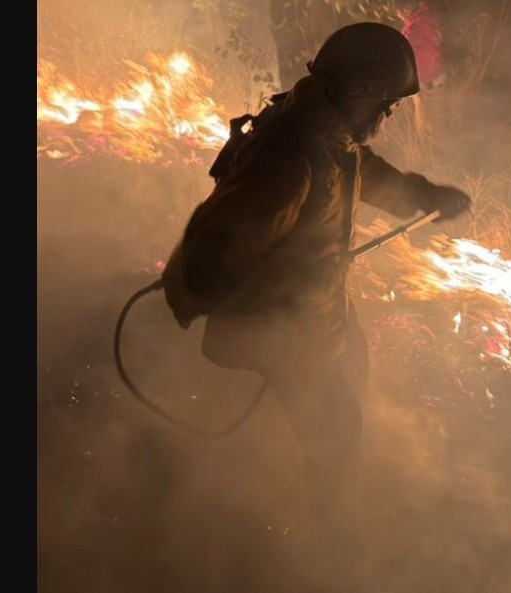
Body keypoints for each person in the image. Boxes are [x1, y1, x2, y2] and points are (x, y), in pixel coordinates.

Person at [158, 21, 472, 587]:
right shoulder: (291, 155)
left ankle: (320, 505)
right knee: (333, 430)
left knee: (349, 367)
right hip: (284, 329)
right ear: (357, 93)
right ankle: (324, 555)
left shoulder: (327, 134)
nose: (384, 119)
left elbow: (361, 171)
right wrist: (231, 291)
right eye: (384, 106)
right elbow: (219, 244)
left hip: (315, 315)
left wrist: (422, 196)